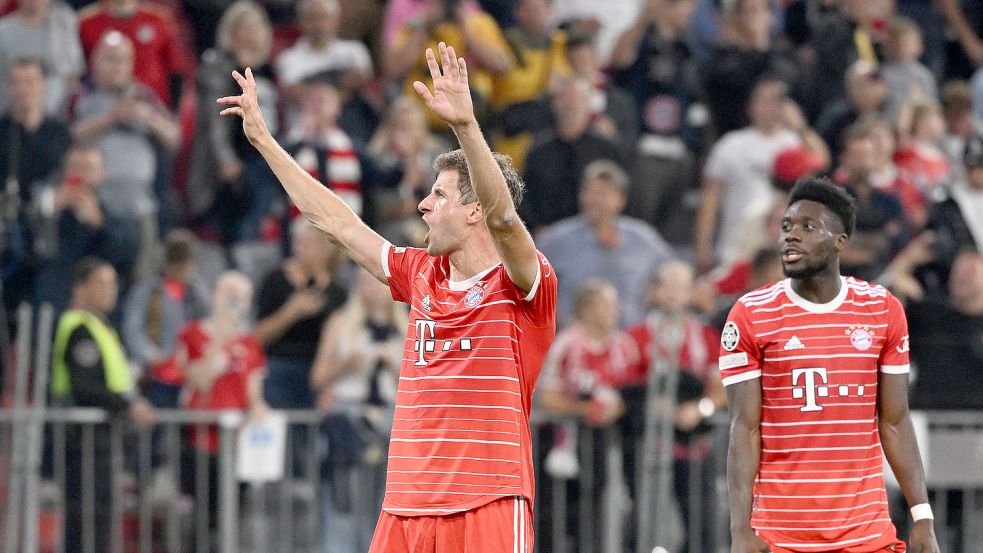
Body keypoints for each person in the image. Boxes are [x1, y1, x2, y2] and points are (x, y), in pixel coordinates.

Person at [218, 40, 557, 552]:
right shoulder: (421, 273)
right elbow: (335, 223)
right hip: (405, 506)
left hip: (487, 501)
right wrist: (264, 141)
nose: (422, 205)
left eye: (438, 195)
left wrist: (466, 128)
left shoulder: (523, 285)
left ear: (473, 212)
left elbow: (506, 219)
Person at [721, 177, 939, 553]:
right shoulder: (750, 315)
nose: (792, 236)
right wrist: (741, 529)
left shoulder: (881, 310)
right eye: (787, 227)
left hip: (866, 536)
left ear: (840, 241)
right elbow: (745, 429)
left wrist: (922, 516)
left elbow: (895, 421)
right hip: (781, 536)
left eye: (808, 227)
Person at [50, 257, 155, 553]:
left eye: (113, 283)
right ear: (80, 289)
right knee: (87, 524)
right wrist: (128, 405)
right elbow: (86, 387)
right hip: (85, 444)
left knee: (99, 523)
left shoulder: (101, 327)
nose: (111, 290)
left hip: (102, 443)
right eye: (102, 283)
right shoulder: (79, 328)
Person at [175, 270, 266, 544]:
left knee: (232, 520)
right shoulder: (192, 334)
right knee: (202, 520)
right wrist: (219, 342)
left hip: (235, 445)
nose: (235, 302)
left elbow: (254, 393)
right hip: (201, 443)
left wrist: (259, 409)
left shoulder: (250, 345)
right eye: (230, 294)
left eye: (242, 297)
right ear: (216, 296)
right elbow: (196, 379)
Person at [537, 159, 675, 326]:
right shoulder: (555, 240)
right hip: (575, 343)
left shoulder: (642, 239)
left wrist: (657, 292)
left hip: (632, 342)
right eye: (588, 191)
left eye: (602, 193)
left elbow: (674, 273)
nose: (592, 200)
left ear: (621, 200)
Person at [0, 0, 85, 115]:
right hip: (14, 115)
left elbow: (74, 73)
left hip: (59, 113)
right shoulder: (3, 33)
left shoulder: (64, 23)